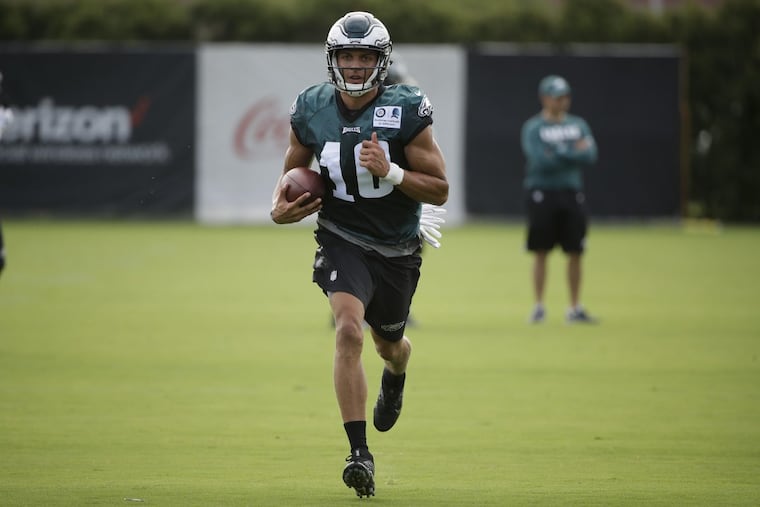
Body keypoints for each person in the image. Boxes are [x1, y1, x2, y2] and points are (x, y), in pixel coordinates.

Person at [269, 11, 448, 498]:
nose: (353, 65)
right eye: (346, 55)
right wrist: (278, 208)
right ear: (332, 58)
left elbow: (439, 189)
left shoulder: (406, 107)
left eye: (364, 56)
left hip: (396, 245)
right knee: (348, 329)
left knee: (389, 344)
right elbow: (290, 175)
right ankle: (359, 454)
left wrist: (391, 172)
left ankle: (397, 370)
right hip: (340, 235)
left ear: (381, 61)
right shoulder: (311, 107)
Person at [520, 75, 598, 324]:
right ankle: (539, 306)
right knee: (541, 250)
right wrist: (572, 150)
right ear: (544, 98)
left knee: (576, 250)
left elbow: (590, 154)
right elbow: (540, 159)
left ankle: (574, 307)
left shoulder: (578, 124)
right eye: (557, 97)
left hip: (571, 192)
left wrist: (558, 152)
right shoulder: (534, 127)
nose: (562, 102)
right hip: (542, 192)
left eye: (565, 96)